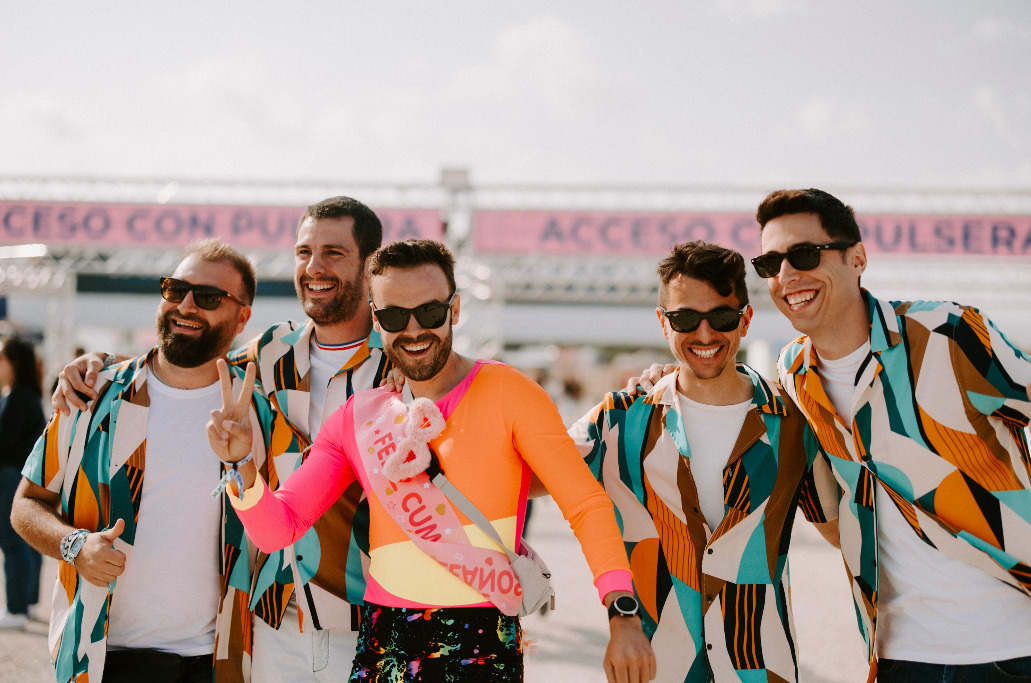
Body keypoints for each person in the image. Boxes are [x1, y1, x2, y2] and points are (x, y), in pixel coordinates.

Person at [208, 239, 657, 683]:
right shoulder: (357, 417)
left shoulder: (510, 393)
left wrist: (622, 612)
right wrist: (241, 465)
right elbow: (277, 529)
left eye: (429, 312)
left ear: (454, 309)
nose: (413, 330)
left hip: (481, 644)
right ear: (377, 320)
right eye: (394, 316)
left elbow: (585, 505)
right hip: (384, 645)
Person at [53, 196, 393, 682]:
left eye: (333, 253)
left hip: (372, 618)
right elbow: (186, 355)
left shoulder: (404, 363)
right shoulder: (269, 354)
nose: (313, 267)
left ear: (370, 264)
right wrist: (96, 366)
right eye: (303, 252)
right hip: (273, 621)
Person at [752, 188, 1031, 682]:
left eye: (804, 254)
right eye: (770, 263)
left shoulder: (945, 332)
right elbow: (827, 507)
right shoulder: (794, 373)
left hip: (1010, 645)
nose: (786, 275)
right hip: (898, 655)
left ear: (857, 258)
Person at [568, 241, 837, 682]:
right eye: (685, 319)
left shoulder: (794, 424)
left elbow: (841, 530)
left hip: (760, 668)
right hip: (659, 668)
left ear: (745, 319)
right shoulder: (620, 418)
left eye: (722, 317)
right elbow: (528, 477)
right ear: (663, 322)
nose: (705, 334)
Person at [12, 239, 274, 683]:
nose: (186, 306)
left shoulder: (262, 414)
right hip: (103, 658)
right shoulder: (92, 397)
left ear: (242, 316)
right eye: (175, 289)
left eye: (208, 297)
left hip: (220, 663)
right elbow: (26, 504)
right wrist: (75, 546)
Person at [0, 337, 46, 630]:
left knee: (13, 542)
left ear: (14, 363)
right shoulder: (27, 396)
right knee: (26, 542)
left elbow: (5, 440)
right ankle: (24, 603)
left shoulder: (18, 397)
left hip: (10, 476)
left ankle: (16, 608)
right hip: (21, 475)